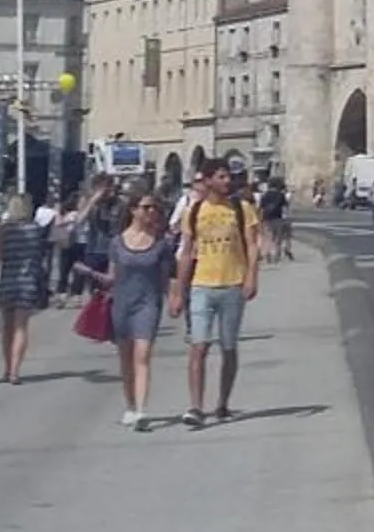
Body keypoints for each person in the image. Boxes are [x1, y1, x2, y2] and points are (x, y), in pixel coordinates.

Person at [168, 160, 262, 428]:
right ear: (207, 180)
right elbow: (186, 252)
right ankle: (196, 406)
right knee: (199, 346)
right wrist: (177, 290)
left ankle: (222, 402)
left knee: (229, 347)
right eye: (221, 177)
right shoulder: (195, 210)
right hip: (202, 285)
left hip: (232, 283)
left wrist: (251, 277)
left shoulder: (242, 209)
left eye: (228, 177)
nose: (227, 181)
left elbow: (253, 245)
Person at [75, 191, 177, 429]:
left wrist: (174, 298)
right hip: (121, 304)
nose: (151, 212)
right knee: (126, 359)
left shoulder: (162, 244)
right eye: (146, 207)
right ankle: (130, 405)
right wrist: (89, 273)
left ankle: (141, 410)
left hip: (148, 305)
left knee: (142, 356)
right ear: (133, 210)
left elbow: (164, 280)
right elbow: (112, 278)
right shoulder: (117, 243)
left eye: (154, 208)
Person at [0, 193, 52, 384]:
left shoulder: (5, 231)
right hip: (28, 282)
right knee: (20, 328)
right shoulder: (35, 230)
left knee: (7, 327)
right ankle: (15, 371)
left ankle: (7, 368)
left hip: (8, 280)